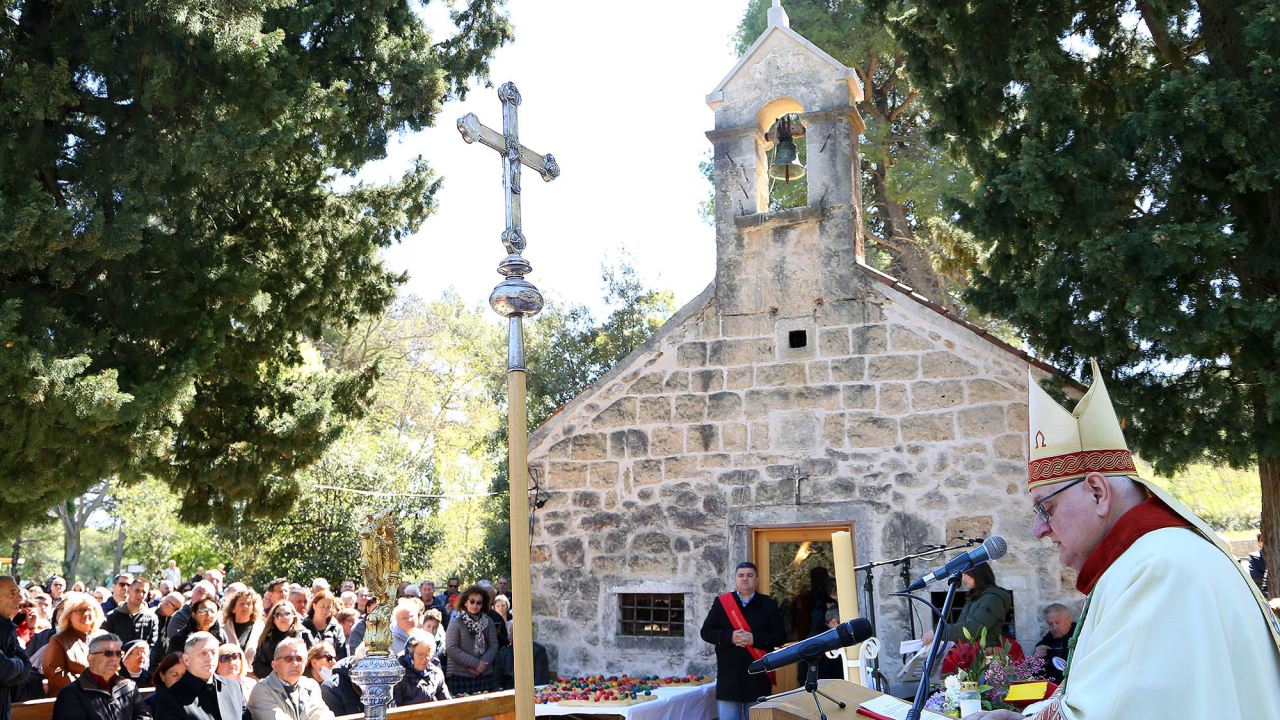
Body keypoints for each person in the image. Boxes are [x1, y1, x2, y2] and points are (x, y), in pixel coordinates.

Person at [964, 363, 1280, 720]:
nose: (1039, 530)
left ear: (1098, 492)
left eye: (1046, 508)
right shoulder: (1153, 557)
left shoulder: (1157, 570)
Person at [699, 561, 785, 720]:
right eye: (741, 575)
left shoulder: (769, 604)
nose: (745, 579)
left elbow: (780, 636)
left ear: (757, 580)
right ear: (735, 580)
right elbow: (706, 632)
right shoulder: (722, 603)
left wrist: (755, 639)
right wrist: (730, 637)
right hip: (730, 677)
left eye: (750, 575)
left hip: (758, 678)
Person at [50, 632, 147, 720]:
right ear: (90, 658)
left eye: (118, 654)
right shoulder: (72, 694)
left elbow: (143, 716)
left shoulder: (129, 687)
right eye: (108, 653)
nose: (114, 658)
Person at [158, 631, 249, 720]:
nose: (209, 658)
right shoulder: (171, 698)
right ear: (186, 659)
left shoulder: (234, 687)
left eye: (213, 652)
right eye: (203, 653)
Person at [921, 564, 1012, 649]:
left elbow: (974, 628)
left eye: (965, 574)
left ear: (977, 573)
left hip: (983, 658)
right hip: (971, 655)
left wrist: (939, 632)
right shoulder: (975, 598)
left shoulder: (992, 600)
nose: (963, 579)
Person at [248, 637, 335, 720]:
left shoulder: (311, 686)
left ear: (305, 664)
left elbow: (322, 714)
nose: (295, 663)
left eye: (299, 659)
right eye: (288, 659)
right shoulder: (261, 691)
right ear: (274, 665)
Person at [45, 591, 104, 696]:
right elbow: (55, 674)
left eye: (89, 609)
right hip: (71, 700)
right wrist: (88, 684)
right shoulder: (59, 640)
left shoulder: (104, 638)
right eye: (81, 610)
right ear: (69, 615)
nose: (86, 614)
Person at [444, 584, 499, 696]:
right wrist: (475, 664)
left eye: (479, 602)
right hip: (460, 675)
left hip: (484, 675)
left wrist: (481, 665)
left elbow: (494, 646)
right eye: (472, 601)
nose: (475, 605)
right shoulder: (456, 622)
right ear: (465, 602)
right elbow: (451, 648)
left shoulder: (488, 622)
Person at [252, 599, 313, 680]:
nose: (283, 617)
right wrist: (280, 672)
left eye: (287, 614)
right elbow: (257, 667)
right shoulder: (266, 638)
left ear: (294, 616)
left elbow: (313, 663)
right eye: (278, 614)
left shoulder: (304, 635)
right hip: (273, 682)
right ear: (273, 619)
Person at [0, 576, 31, 720]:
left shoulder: (7, 627)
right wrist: (16, 663)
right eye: (12, 593)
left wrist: (14, 664)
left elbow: (26, 665)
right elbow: (3, 669)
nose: (19, 599)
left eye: (18, 593)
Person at [393, 629, 449, 706]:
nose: (424, 660)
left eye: (428, 655)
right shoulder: (397, 676)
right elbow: (395, 710)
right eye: (420, 655)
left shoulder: (436, 674)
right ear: (410, 654)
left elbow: (447, 704)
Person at [103, 579, 159, 653]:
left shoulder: (152, 618)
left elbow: (152, 645)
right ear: (129, 591)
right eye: (137, 591)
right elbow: (105, 644)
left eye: (144, 592)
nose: (140, 595)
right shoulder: (112, 616)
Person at [1032, 604, 1075, 685]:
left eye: (1058, 623)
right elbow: (1034, 677)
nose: (1054, 628)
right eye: (1051, 624)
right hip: (1052, 690)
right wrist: (1035, 659)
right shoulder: (1044, 644)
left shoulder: (1081, 636)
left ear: (1068, 620)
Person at [222, 588, 265, 670]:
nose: (245, 607)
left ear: (253, 609)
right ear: (233, 608)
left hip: (252, 676)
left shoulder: (260, 629)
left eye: (249, 604)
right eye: (241, 604)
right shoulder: (223, 629)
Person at [301, 590, 345, 661]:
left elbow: (341, 653)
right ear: (314, 605)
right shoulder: (303, 626)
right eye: (322, 606)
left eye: (328, 607)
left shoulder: (337, 628)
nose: (324, 611)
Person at [1247, 530, 1268, 596]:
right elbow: (1255, 576)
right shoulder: (1254, 557)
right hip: (1262, 593)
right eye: (1262, 540)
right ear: (1259, 542)